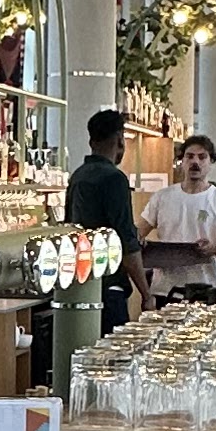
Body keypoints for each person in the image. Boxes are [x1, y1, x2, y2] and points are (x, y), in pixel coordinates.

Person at [140, 132, 216, 298]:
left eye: (202, 157)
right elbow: (138, 232)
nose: (195, 162)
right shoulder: (162, 197)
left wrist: (214, 249)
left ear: (211, 162)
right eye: (189, 156)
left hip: (203, 292)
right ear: (182, 161)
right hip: (163, 291)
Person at [65, 108, 141, 328]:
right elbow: (126, 240)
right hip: (109, 283)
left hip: (79, 281)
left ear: (91, 141)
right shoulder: (115, 178)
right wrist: (146, 294)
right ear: (120, 139)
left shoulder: (78, 175)